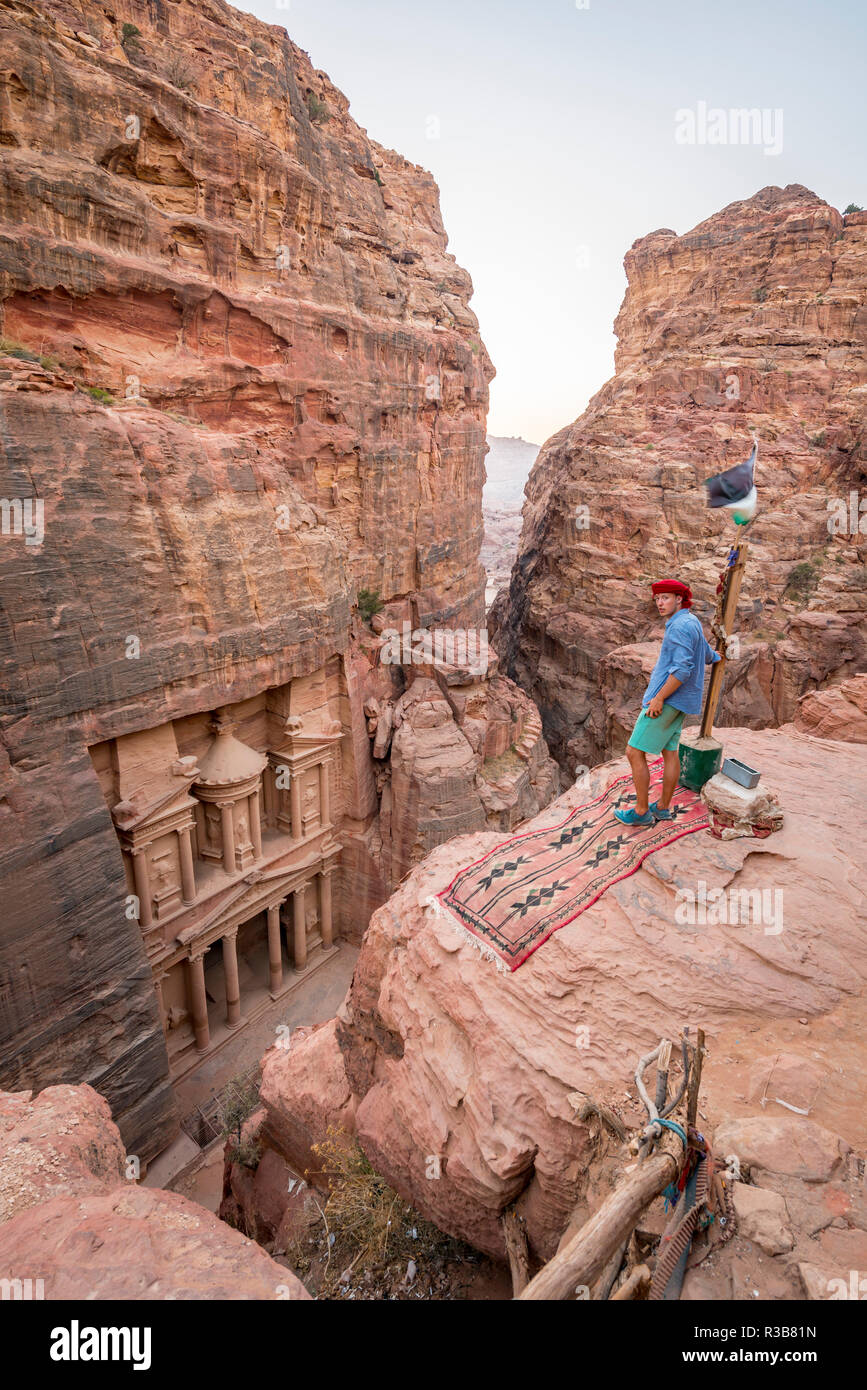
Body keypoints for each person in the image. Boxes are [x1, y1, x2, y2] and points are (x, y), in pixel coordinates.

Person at [614, 579, 720, 827]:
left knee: (634, 751)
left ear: (679, 599)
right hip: (683, 702)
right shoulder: (692, 621)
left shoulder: (678, 627)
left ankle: (641, 812)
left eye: (666, 598)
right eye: (657, 599)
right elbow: (705, 654)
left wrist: (659, 698)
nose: (660, 604)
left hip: (669, 700)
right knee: (670, 751)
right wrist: (718, 657)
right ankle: (662, 807)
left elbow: (682, 669)